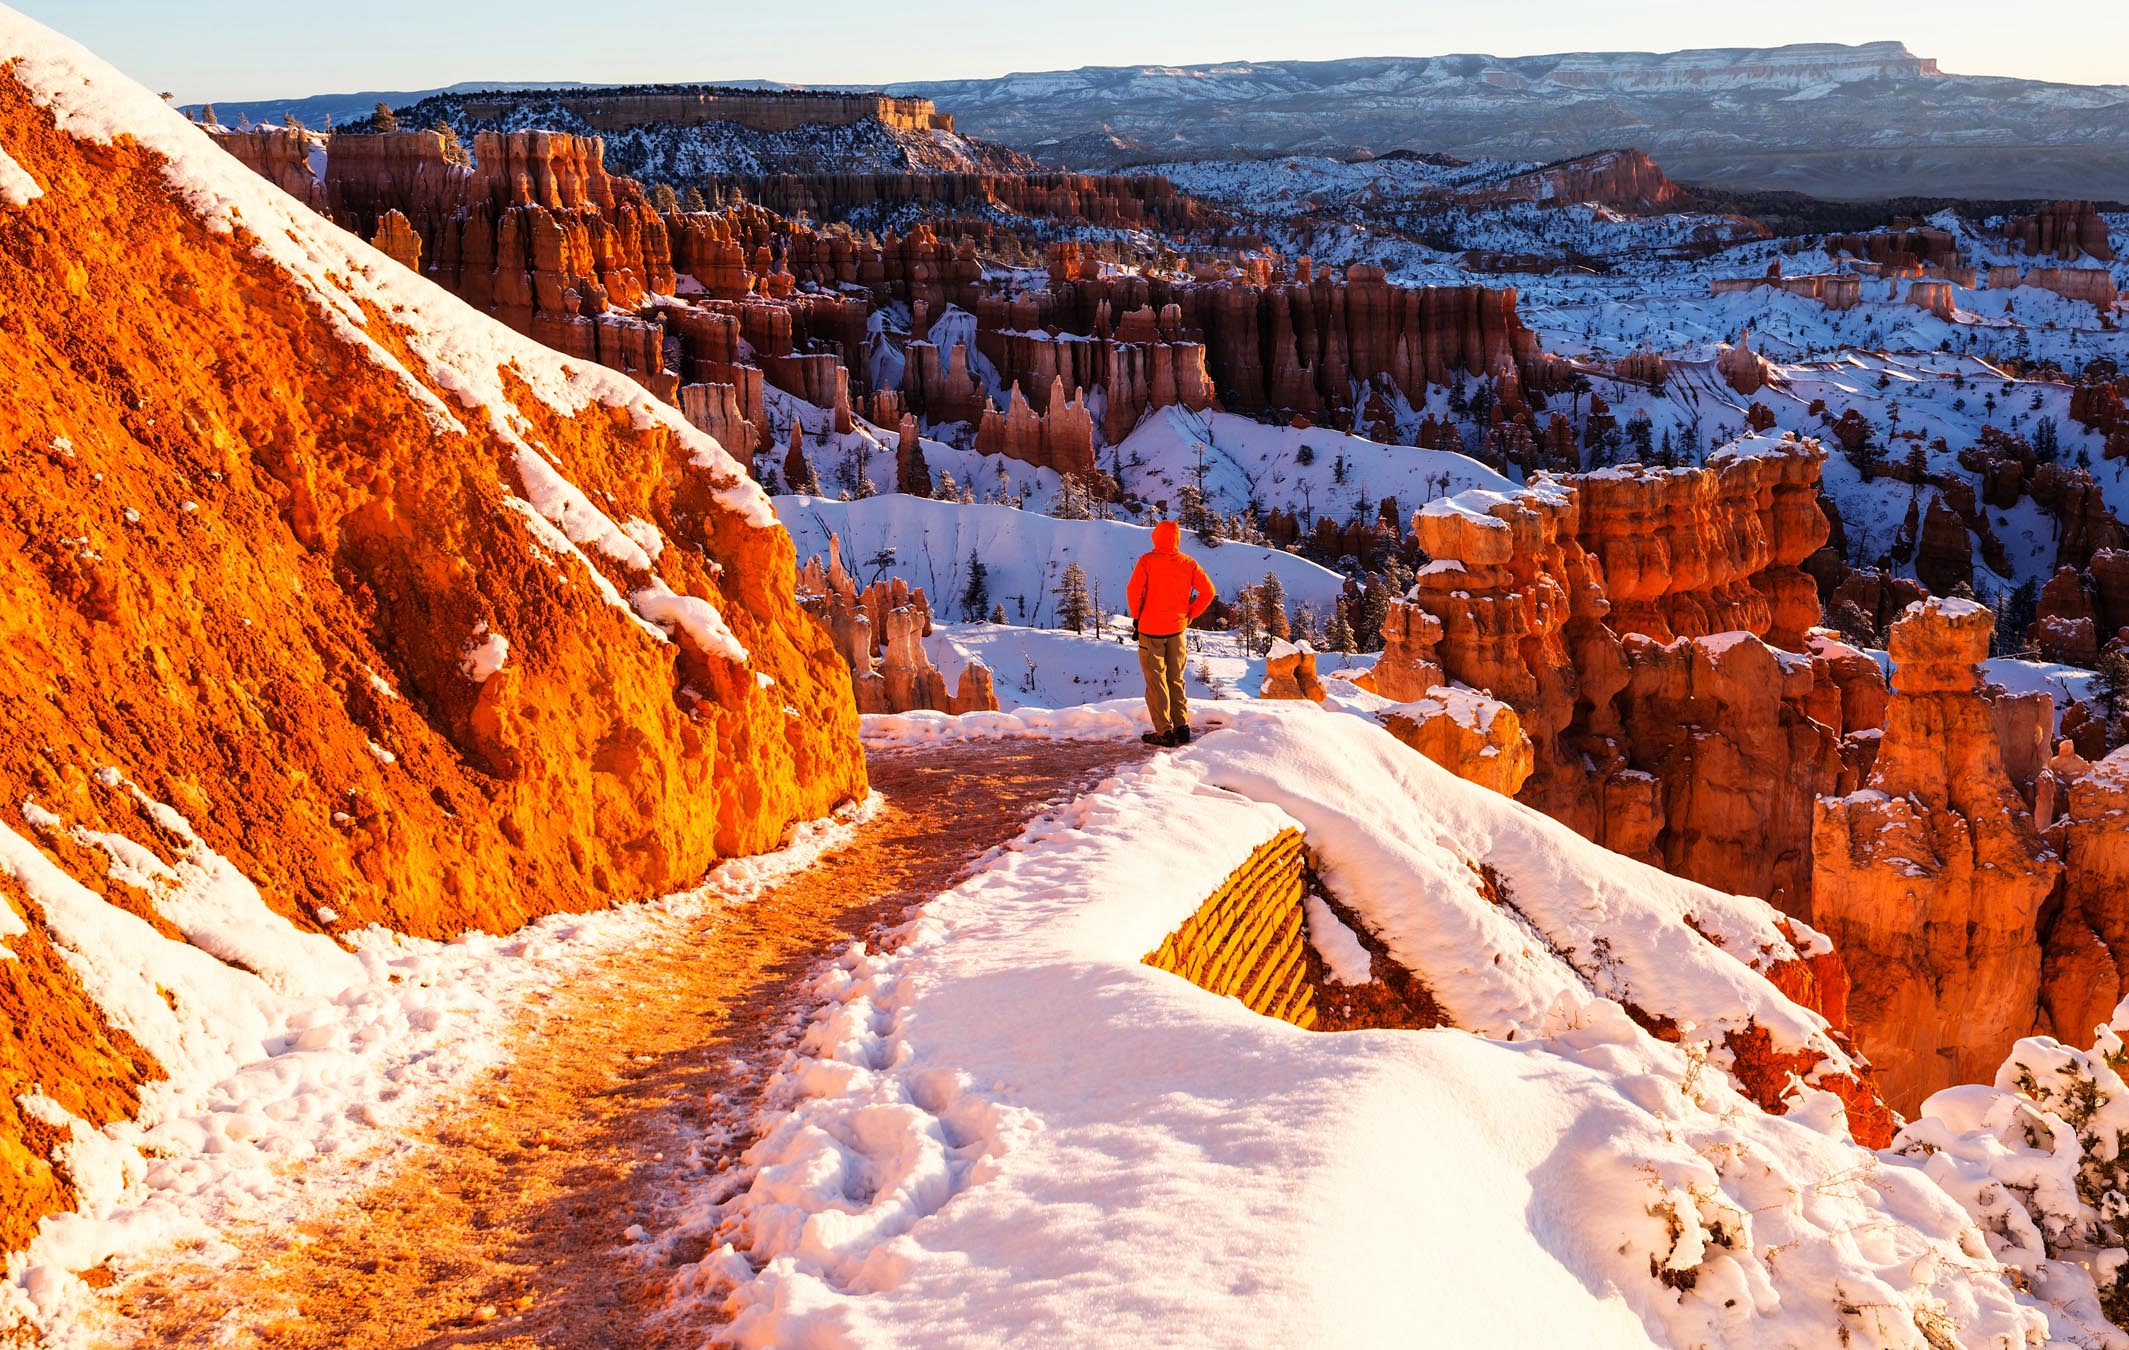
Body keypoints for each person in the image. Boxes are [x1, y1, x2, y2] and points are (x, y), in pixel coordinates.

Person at [1126, 520, 1216, 747]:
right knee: (1176, 679)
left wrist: (1137, 615)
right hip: (1177, 631)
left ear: (1156, 537)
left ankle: (1164, 732)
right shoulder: (1188, 562)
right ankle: (1182, 727)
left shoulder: (1147, 561)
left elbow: (1133, 590)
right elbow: (1208, 591)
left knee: (1156, 681)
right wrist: (1190, 614)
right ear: (1177, 539)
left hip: (1151, 631)